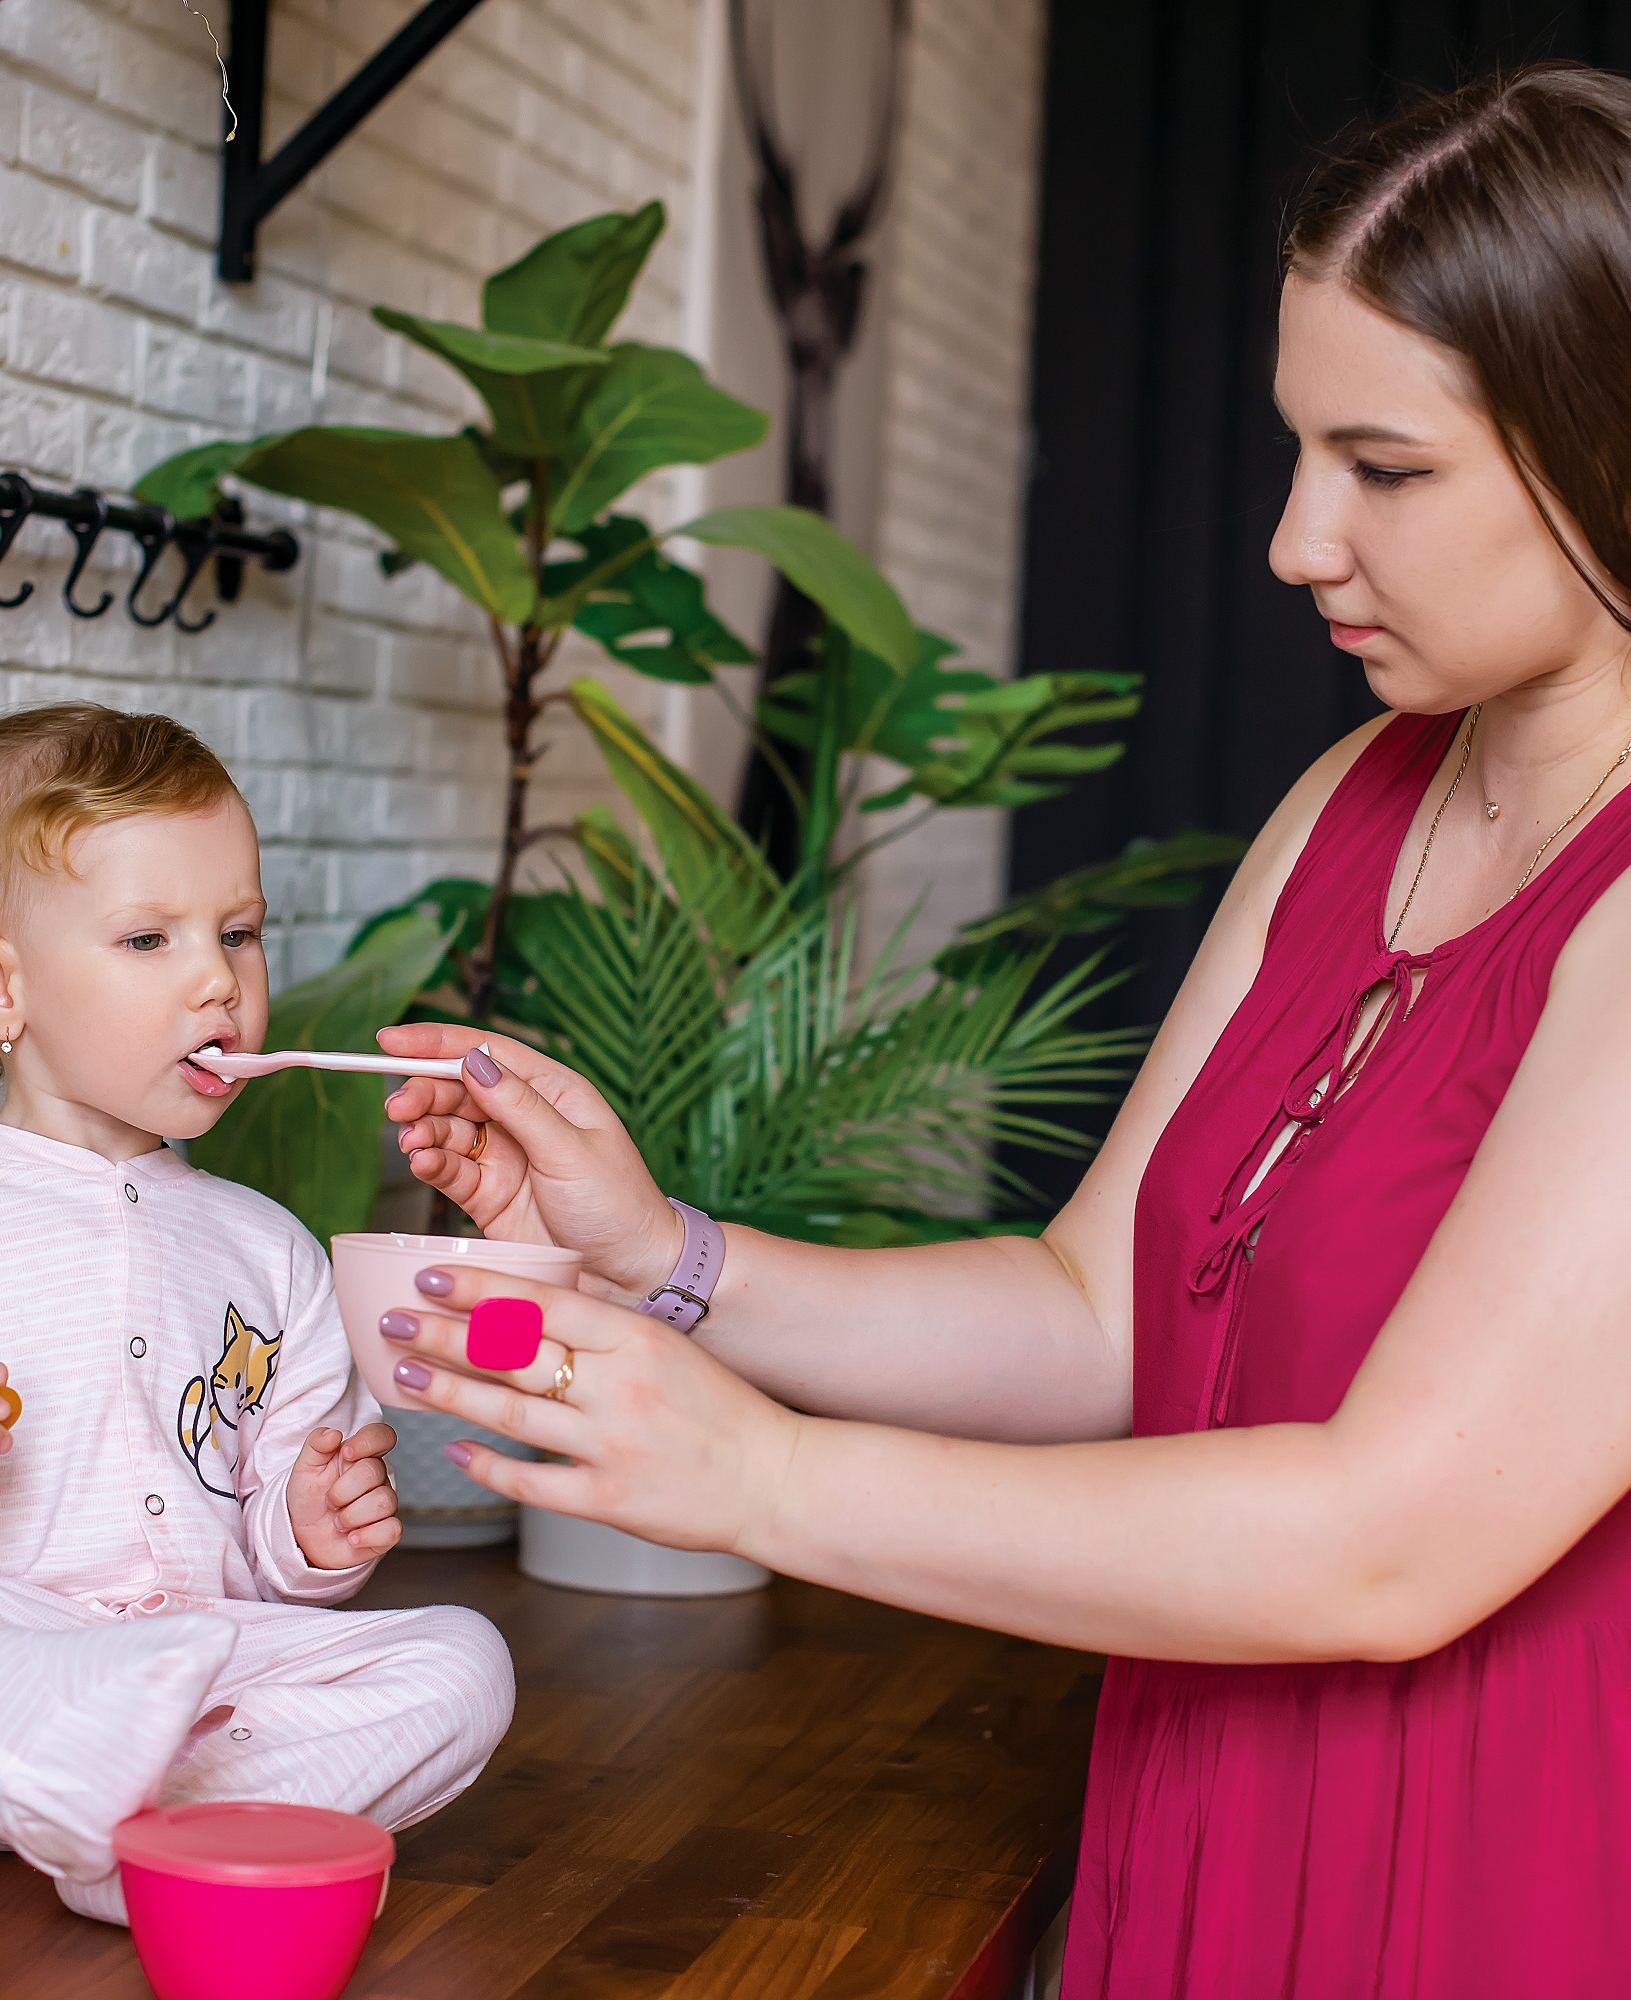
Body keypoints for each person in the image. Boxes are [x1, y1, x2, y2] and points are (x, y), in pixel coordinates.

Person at [371, 64, 1631, 1997]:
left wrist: (761, 1479)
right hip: (1208, 1804)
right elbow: (1105, 1314)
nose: (1299, 541)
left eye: (1384, 469)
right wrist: (671, 1258)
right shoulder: (1353, 800)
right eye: (1299, 452)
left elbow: (1396, 1538)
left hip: (1491, 1877)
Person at [0, 705, 512, 1924]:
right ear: (0, 984)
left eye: (238, 933)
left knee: (464, 1661)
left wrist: (307, 1532)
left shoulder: (272, 1255)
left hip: (202, 1668)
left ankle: (146, 1836)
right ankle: (69, 1772)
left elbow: (265, 1566)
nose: (219, 978)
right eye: (149, 937)